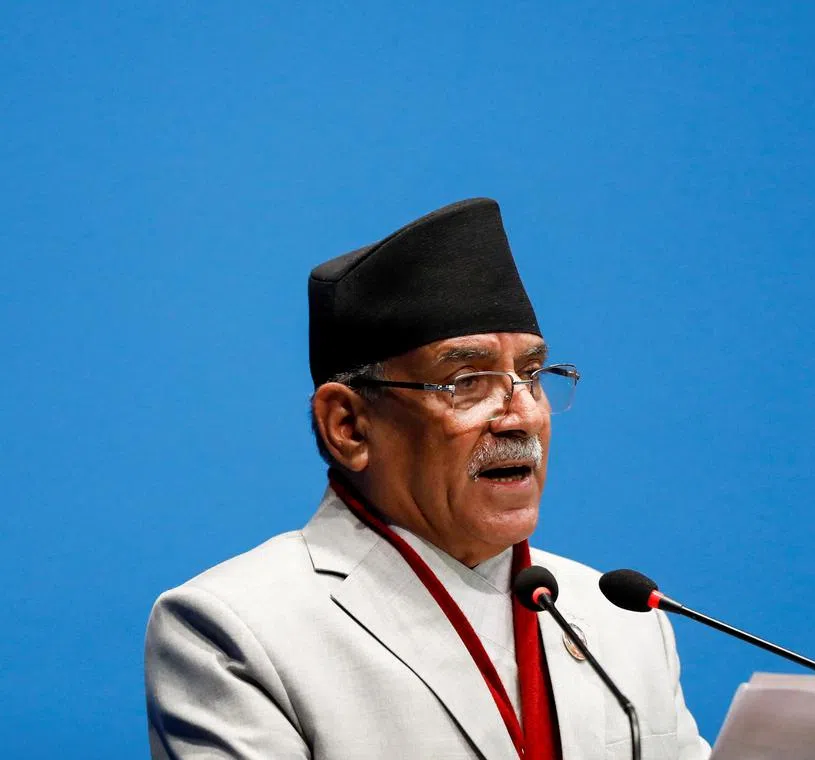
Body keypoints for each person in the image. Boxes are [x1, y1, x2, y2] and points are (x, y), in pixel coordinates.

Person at [144, 198, 710, 759]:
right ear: (349, 427)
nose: (521, 416)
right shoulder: (236, 628)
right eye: (465, 381)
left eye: (533, 375)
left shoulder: (623, 618)